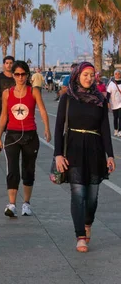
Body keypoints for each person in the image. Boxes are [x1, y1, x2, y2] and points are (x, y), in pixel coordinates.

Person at [54, 62, 115, 253]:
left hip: (95, 149)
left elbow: (105, 128)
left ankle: (88, 222)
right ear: (77, 75)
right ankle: (80, 235)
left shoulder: (100, 99)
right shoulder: (67, 98)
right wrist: (57, 154)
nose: (89, 78)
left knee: (92, 196)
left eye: (91, 74)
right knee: (78, 193)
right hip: (73, 148)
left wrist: (110, 155)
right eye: (85, 74)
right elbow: (59, 127)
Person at [0, 61, 51, 218]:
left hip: (30, 136)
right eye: (17, 74)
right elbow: (4, 115)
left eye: (23, 74)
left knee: (28, 169)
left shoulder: (33, 91)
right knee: (12, 170)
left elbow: (42, 110)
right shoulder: (7, 93)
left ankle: (26, 203)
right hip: (12, 135)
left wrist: (47, 128)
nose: (20, 77)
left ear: (28, 75)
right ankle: (12, 204)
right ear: (13, 76)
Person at [0, 56, 16, 157]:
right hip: (0, 107)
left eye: (11, 63)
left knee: (12, 130)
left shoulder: (16, 76)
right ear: (4, 65)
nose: (9, 65)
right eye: (7, 63)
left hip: (13, 108)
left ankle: (11, 147)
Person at [107, 69, 121, 137]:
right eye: (116, 74)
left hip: (120, 103)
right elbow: (108, 94)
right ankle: (115, 129)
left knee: (120, 117)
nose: (117, 75)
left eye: (119, 74)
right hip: (114, 103)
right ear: (114, 75)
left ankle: (120, 130)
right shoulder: (111, 83)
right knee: (115, 117)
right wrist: (108, 102)